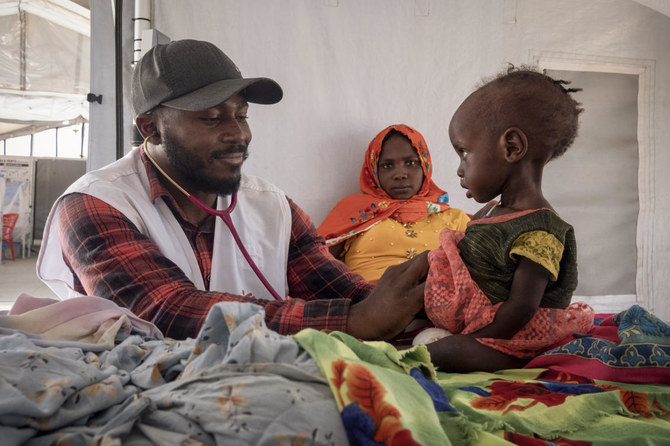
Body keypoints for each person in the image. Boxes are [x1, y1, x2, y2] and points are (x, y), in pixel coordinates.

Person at [36, 39, 429, 341]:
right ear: (150, 128)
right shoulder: (96, 204)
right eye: (211, 119)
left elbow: (343, 289)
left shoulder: (273, 207)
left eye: (241, 115)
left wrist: (425, 301)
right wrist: (353, 321)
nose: (238, 135)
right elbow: (162, 312)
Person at [420, 67, 594, 372]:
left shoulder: (541, 229)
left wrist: (477, 339)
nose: (460, 169)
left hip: (512, 335)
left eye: (464, 153)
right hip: (477, 317)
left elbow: (522, 308)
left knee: (449, 353)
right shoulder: (489, 211)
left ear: (511, 147)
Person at [318, 124, 470, 283]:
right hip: (368, 303)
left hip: (439, 301)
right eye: (387, 166)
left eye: (410, 163)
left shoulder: (455, 219)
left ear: (424, 165)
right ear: (374, 170)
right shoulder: (354, 212)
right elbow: (313, 266)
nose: (400, 174)